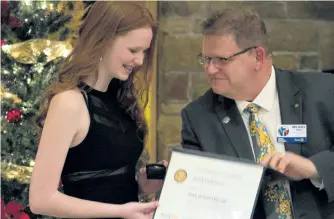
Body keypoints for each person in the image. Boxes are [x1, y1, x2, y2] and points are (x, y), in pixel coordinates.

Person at [181, 7, 334, 219]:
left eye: (221, 60)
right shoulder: (198, 118)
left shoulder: (323, 92)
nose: (210, 69)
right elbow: (197, 199)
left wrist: (313, 167)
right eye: (206, 59)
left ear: (258, 57)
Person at [29, 2, 167, 219]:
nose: (140, 61)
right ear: (103, 40)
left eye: (144, 51)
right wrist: (121, 212)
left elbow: (105, 185)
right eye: (133, 50)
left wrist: (142, 186)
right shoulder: (69, 103)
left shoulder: (120, 100)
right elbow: (40, 200)